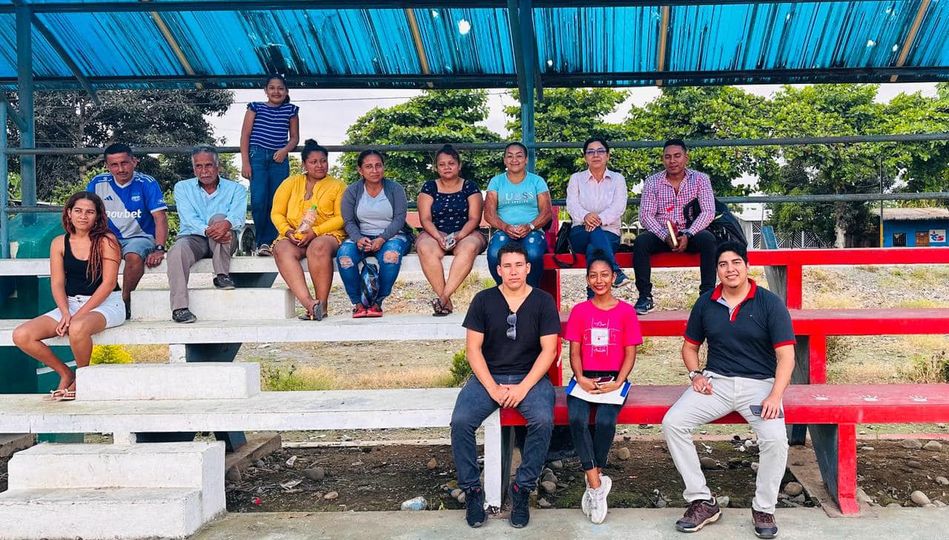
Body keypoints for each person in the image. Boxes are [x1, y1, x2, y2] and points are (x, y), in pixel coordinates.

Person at [661, 241, 795, 539]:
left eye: (736, 263)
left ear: (746, 266)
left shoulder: (769, 303)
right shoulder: (706, 303)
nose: (730, 269)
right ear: (717, 270)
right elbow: (689, 347)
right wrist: (695, 374)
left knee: (775, 440)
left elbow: (786, 356)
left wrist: (775, 395)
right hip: (716, 383)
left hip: (760, 385)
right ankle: (701, 500)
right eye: (723, 264)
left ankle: (763, 507)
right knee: (673, 423)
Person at [450, 243, 560, 529]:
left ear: (528, 268)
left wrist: (522, 388)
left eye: (518, 265)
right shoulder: (483, 300)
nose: (513, 271)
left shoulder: (543, 301)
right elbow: (473, 350)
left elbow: (549, 351)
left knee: (543, 421)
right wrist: (493, 388)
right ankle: (472, 491)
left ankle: (522, 488)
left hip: (530, 377)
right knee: (461, 422)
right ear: (498, 270)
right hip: (490, 376)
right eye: (507, 266)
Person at [12, 192, 123, 401]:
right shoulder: (59, 243)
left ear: (98, 216)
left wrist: (76, 316)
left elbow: (108, 284)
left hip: (106, 304)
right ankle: (65, 373)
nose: (83, 216)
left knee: (77, 327)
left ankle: (81, 378)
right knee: (22, 335)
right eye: (78, 211)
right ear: (69, 213)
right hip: (71, 303)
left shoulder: (107, 241)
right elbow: (57, 283)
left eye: (90, 212)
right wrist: (65, 312)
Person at [564, 251, 641, 524]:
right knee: (576, 418)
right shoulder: (580, 311)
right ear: (587, 279)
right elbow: (574, 351)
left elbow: (630, 353)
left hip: (613, 380)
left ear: (613, 277)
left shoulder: (626, 311)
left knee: (606, 422)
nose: (599, 280)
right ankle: (596, 484)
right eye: (593, 276)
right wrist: (580, 377)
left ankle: (592, 476)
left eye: (605, 275)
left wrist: (618, 381)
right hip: (584, 378)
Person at [633, 139, 717, 315]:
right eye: (668, 157)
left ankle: (707, 295)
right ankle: (645, 297)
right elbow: (645, 215)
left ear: (686, 157)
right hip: (662, 234)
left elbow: (708, 212)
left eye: (677, 156)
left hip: (691, 232)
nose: (672, 161)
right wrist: (665, 235)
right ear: (662, 159)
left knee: (708, 239)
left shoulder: (700, 179)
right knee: (641, 242)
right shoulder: (652, 182)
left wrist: (688, 234)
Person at [86, 143, 168, 320]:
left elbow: (160, 218)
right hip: (108, 237)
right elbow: (86, 213)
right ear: (107, 166)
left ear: (134, 161)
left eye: (124, 163)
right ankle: (105, 298)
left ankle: (125, 301)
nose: (120, 169)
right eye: (114, 165)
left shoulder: (147, 183)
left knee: (134, 256)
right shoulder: (97, 183)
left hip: (140, 236)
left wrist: (159, 248)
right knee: (91, 253)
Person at [167, 146, 247, 324]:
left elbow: (237, 216)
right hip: (194, 237)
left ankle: (221, 275)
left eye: (208, 165)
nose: (204, 171)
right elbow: (188, 218)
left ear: (218, 167)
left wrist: (225, 224)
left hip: (225, 239)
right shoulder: (182, 187)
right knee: (176, 250)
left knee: (220, 219)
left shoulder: (236, 189)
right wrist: (208, 230)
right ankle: (179, 308)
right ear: (194, 168)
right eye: (199, 166)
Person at [271, 140, 346, 321]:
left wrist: (316, 231)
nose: (320, 165)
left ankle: (322, 304)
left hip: (327, 235)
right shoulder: (290, 183)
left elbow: (341, 218)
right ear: (304, 164)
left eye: (323, 161)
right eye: (313, 162)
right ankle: (310, 304)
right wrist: (287, 232)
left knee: (317, 247)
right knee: (281, 249)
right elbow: (277, 213)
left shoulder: (338, 186)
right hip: (295, 235)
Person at [337, 150, 414, 318]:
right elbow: (348, 221)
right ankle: (358, 304)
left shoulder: (395, 189)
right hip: (361, 236)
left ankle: (376, 303)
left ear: (383, 167)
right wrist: (358, 238)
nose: (374, 170)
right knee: (344, 256)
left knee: (391, 256)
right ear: (360, 170)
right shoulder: (352, 191)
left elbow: (399, 219)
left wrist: (382, 238)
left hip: (392, 236)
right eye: (369, 166)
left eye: (378, 165)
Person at [416, 144, 486, 316]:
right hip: (435, 233)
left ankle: (443, 299)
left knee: (469, 247)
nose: (447, 167)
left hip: (466, 233)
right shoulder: (429, 187)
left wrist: (459, 235)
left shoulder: (470, 186)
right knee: (424, 247)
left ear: (459, 165)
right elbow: (425, 219)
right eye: (442, 164)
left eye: (451, 163)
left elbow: (474, 218)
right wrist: (437, 235)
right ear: (436, 167)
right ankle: (445, 302)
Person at [240, 74, 300, 257]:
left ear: (286, 91)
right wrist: (245, 162)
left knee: (278, 201)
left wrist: (284, 150)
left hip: (278, 159)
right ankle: (260, 241)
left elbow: (295, 138)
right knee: (258, 200)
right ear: (266, 91)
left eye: (280, 88)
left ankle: (270, 242)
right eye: (272, 88)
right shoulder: (255, 107)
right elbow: (245, 135)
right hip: (257, 156)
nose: (276, 91)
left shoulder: (291, 110)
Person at [565, 138, 630, 296]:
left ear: (608, 156)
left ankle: (592, 297)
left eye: (600, 151)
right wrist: (586, 216)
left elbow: (619, 206)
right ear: (585, 157)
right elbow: (572, 205)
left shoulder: (618, 179)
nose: (595, 155)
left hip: (610, 234)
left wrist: (598, 220)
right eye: (590, 152)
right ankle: (615, 271)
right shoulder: (576, 179)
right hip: (580, 233)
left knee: (593, 248)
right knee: (594, 236)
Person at [484, 142, 552, 288]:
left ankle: (531, 292)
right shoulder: (496, 182)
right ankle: (504, 291)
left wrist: (530, 226)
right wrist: (505, 227)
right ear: (504, 160)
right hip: (504, 231)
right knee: (494, 254)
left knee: (533, 253)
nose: (514, 160)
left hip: (532, 231)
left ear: (526, 159)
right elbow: (489, 213)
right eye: (510, 156)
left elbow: (546, 212)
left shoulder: (537, 181)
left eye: (519, 156)